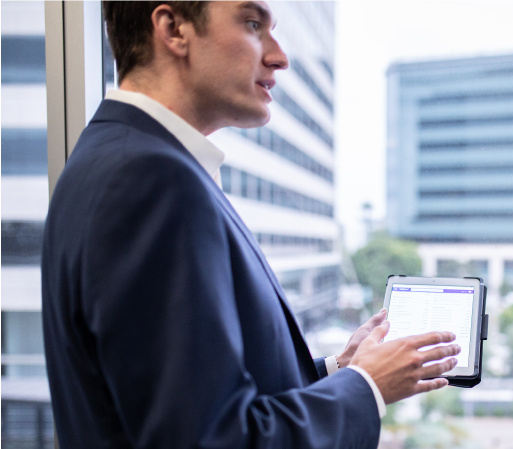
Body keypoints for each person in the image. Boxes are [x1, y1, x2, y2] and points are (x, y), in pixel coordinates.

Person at [41, 2, 460, 447]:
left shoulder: (115, 155)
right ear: (173, 28)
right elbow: (211, 439)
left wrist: (343, 369)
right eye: (253, 24)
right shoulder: (152, 181)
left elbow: (195, 395)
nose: (280, 56)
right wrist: (367, 386)